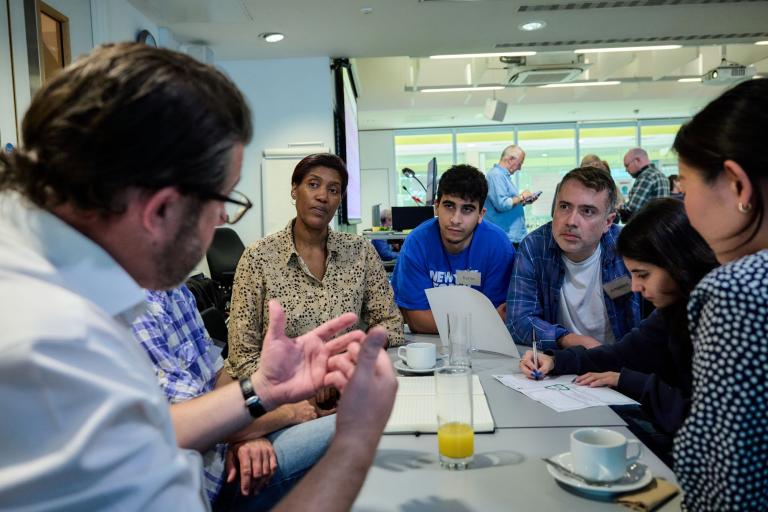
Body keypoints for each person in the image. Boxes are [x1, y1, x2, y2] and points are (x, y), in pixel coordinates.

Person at [0, 43, 397, 511]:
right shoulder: (56, 349)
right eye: (221, 200)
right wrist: (356, 441)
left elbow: (171, 412)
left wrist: (261, 393)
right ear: (161, 208)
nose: (224, 221)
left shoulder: (68, 272)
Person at [520, 198, 718, 463]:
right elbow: (620, 354)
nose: (635, 287)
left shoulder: (720, 317)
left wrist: (627, 380)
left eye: (644, 275)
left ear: (677, 263)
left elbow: (704, 419)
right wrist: (555, 361)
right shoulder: (671, 311)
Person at [132, 285, 337, 510]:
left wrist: (249, 430)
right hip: (208, 481)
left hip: (236, 437)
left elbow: (218, 376)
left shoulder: (176, 290)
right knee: (358, 427)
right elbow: (196, 425)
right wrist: (291, 412)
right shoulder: (135, 311)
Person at [671, 78, 768, 511]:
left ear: (737, 186)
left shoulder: (738, 294)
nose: (683, 205)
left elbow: (730, 480)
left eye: (685, 186)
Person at [227, 153, 404, 379]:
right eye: (313, 184)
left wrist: (360, 353)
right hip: (282, 395)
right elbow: (242, 356)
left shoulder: (360, 251)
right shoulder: (258, 258)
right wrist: (307, 382)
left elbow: (391, 323)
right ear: (294, 189)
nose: (323, 196)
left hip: (347, 382)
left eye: (333, 190)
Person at [507, 166, 641, 349]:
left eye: (587, 211)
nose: (571, 221)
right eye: (564, 207)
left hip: (618, 365)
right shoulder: (534, 247)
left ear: (608, 222)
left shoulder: (628, 248)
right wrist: (568, 339)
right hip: (561, 362)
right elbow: (519, 321)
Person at [392, 164, 515, 334]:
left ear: (481, 214)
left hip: (484, 347)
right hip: (429, 343)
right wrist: (480, 322)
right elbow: (416, 320)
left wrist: (442, 322)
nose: (456, 219)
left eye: (467, 209)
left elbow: (500, 317)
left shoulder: (499, 247)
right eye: (449, 206)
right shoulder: (416, 243)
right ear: (436, 206)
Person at [483, 145, 539, 246]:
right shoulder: (496, 175)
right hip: (506, 238)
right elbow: (503, 204)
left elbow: (509, 203)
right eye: (520, 163)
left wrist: (523, 201)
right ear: (510, 159)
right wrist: (522, 196)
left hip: (511, 237)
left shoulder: (503, 176)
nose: (520, 168)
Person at [618, 147, 670, 221]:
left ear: (637, 160)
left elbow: (631, 210)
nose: (626, 170)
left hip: (648, 227)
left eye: (627, 165)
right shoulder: (661, 175)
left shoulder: (646, 176)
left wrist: (619, 207)